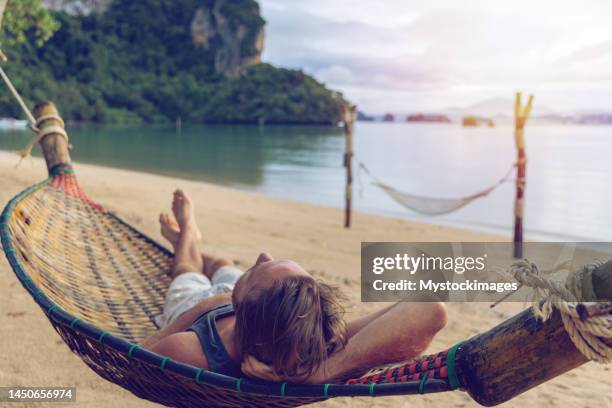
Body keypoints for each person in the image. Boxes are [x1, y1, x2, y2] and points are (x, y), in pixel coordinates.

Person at [143, 189, 448, 383]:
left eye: (264, 266)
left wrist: (209, 304)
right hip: (223, 299)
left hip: (195, 307)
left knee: (186, 269)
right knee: (221, 261)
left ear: (246, 305)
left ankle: (186, 239)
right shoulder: (307, 347)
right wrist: (323, 371)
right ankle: (189, 239)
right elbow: (429, 306)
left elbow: (135, 358)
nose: (263, 255)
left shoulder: (189, 350)